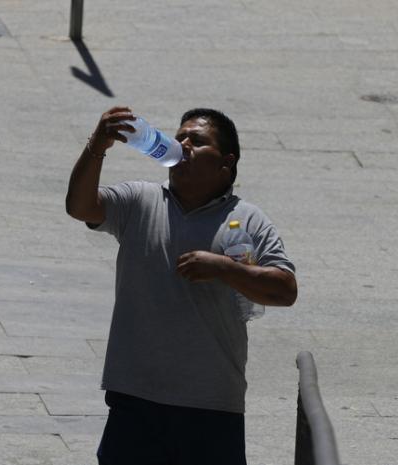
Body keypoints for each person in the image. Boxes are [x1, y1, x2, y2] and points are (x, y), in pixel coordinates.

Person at [66, 106, 298, 465]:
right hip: (135, 399)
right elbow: (80, 206)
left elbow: (285, 290)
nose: (184, 144)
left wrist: (224, 268)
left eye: (198, 140)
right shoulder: (138, 200)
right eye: (180, 137)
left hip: (210, 405)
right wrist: (98, 144)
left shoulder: (247, 219)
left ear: (226, 163)